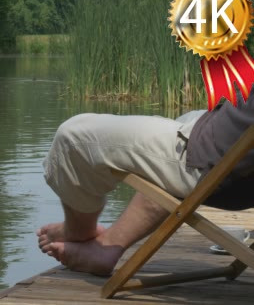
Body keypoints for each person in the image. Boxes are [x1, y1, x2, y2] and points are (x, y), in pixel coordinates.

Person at [38, 89, 254, 276]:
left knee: (72, 138)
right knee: (184, 119)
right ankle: (107, 246)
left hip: (219, 166)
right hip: (239, 165)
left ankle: (79, 231)